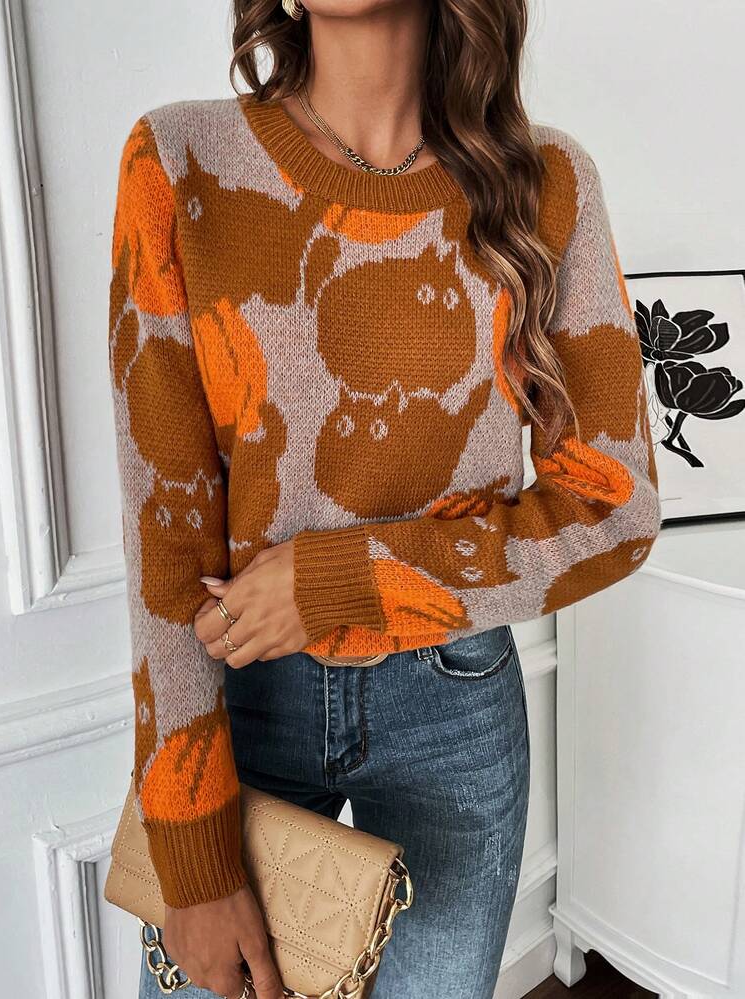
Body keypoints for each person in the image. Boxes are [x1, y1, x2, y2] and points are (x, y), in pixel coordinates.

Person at [108, 1, 661, 996]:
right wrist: (193, 853)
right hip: (239, 703)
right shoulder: (181, 162)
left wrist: (345, 582)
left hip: (454, 707)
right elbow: (164, 530)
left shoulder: (547, 184)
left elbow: (615, 510)